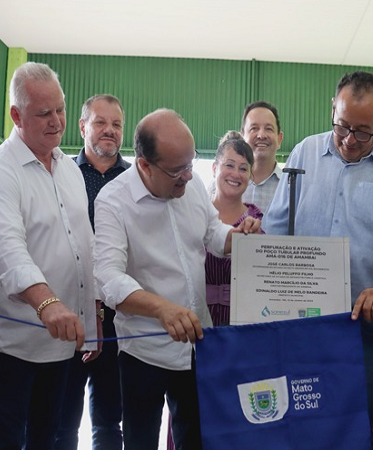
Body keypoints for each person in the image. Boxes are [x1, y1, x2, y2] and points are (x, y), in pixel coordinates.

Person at [263, 71, 373, 450]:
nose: (350, 140)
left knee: (353, 421)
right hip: (300, 318)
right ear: (332, 110)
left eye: (363, 132)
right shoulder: (304, 153)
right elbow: (276, 229)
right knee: (299, 413)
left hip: (361, 319)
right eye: (342, 127)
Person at [93, 109, 260, 450]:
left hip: (199, 344)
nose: (188, 177)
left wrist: (236, 238)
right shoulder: (113, 201)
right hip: (144, 351)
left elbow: (212, 231)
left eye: (191, 164)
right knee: (141, 441)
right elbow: (109, 277)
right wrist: (162, 310)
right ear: (144, 166)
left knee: (196, 439)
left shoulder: (192, 181)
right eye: (176, 171)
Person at [0, 62, 98, 450]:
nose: (57, 121)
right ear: (16, 115)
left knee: (49, 440)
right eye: (44, 113)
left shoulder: (69, 170)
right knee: (7, 441)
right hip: (12, 345)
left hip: (61, 345)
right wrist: (48, 304)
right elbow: (6, 250)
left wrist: (90, 327)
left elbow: (83, 251)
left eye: (60, 109)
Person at [55, 94, 130, 450]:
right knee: (62, 420)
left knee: (109, 419)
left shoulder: (136, 180)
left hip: (120, 316)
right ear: (83, 126)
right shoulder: (59, 174)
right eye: (101, 122)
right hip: (68, 312)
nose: (109, 131)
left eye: (116, 124)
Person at [206, 131, 263, 326]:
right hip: (195, 322)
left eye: (243, 168)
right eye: (229, 165)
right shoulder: (195, 215)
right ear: (214, 168)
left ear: (250, 176)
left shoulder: (256, 222)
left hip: (242, 326)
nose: (235, 174)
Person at [208, 101, 284, 213]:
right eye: (254, 128)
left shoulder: (289, 187)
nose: (261, 135)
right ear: (243, 136)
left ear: (279, 139)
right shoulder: (218, 186)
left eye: (269, 129)